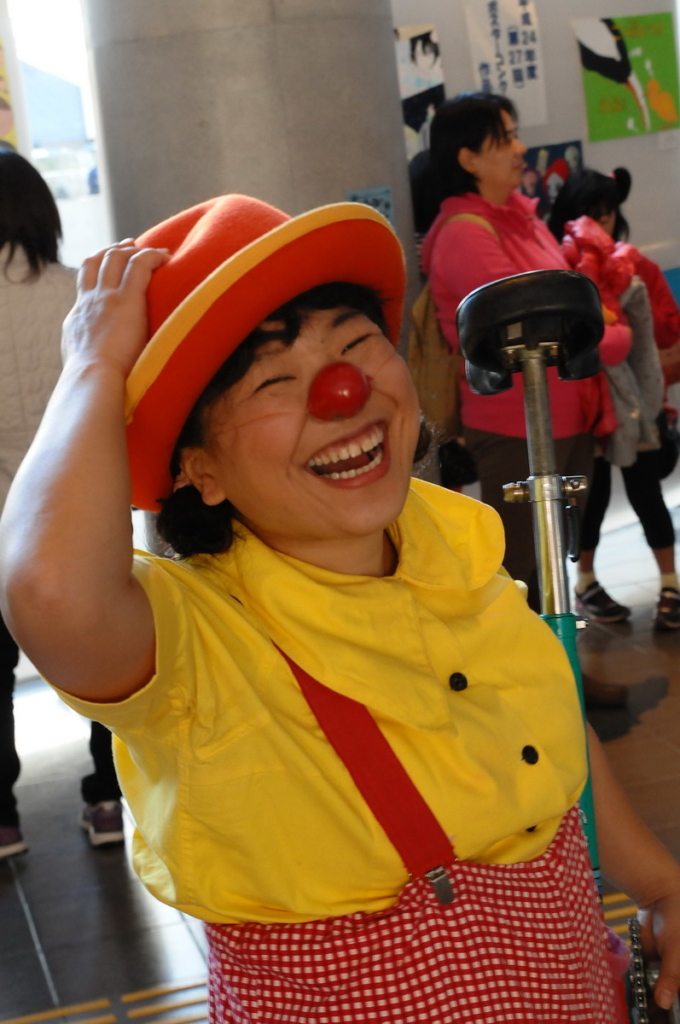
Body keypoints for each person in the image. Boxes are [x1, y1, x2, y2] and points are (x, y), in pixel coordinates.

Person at [2, 193, 680, 1020]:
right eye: (273, 380)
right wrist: (92, 364)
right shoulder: (192, 640)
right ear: (200, 470)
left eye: (356, 344)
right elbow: (48, 591)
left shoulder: (457, 547)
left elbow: (542, 733)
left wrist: (661, 886)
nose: (343, 390)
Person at [421, 92, 632, 706]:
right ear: (467, 158)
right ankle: (519, 701)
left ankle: (561, 676)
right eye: (505, 138)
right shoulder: (465, 233)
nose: (520, 148)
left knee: (550, 563)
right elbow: (538, 323)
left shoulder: (522, 218)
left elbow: (577, 306)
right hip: (515, 428)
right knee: (516, 571)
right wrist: (613, 334)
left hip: (567, 416)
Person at [0, 150, 123, 859]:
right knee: (102, 663)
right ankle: (106, 801)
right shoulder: (84, 297)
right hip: (81, 514)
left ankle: (3, 821)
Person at [548, 167, 680, 632]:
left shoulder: (635, 266)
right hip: (585, 405)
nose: (599, 224)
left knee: (646, 491)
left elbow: (667, 333)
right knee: (593, 494)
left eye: (606, 214)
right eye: (590, 214)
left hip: (636, 404)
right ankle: (585, 582)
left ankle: (670, 584)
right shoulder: (558, 271)